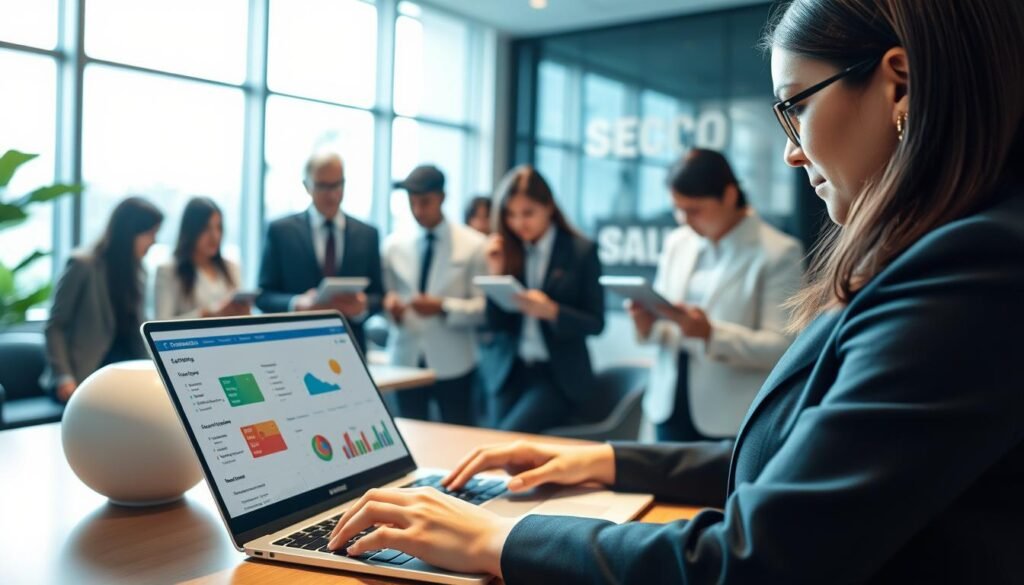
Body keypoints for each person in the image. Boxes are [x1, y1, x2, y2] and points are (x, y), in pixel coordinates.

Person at [325, 0, 1024, 582]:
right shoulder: (952, 253)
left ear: (897, 84)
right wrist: (605, 458)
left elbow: (753, 561)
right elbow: (806, 460)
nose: (792, 149)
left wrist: (497, 539)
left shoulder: (972, 268)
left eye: (794, 109)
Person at [630, 149, 804, 442]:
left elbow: (782, 347)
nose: (685, 220)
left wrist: (711, 334)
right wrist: (646, 325)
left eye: (694, 210)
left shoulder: (778, 252)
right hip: (669, 403)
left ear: (729, 195)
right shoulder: (677, 243)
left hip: (729, 415)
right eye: (678, 209)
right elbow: (667, 326)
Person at [477, 165, 604, 432]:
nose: (518, 223)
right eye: (510, 215)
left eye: (528, 213)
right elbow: (493, 324)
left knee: (506, 438)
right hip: (510, 371)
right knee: (486, 439)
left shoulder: (580, 250)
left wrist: (554, 311)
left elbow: (597, 323)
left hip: (558, 377)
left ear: (548, 206)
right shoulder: (507, 248)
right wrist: (496, 275)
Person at [382, 165, 488, 425]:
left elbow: (484, 309)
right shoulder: (393, 246)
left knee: (458, 433)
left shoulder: (473, 245)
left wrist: (443, 307)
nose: (418, 210)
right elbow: (388, 299)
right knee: (410, 432)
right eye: (412, 203)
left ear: (441, 197)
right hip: (405, 357)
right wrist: (390, 309)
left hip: (454, 361)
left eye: (425, 202)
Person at [256, 152, 384, 351]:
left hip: (350, 348)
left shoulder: (368, 234)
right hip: (294, 348)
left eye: (338, 185)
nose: (332, 194)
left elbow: (379, 295)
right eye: (323, 186)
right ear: (307, 186)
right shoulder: (281, 231)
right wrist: (298, 304)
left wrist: (363, 305)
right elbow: (263, 296)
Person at [42, 197, 164, 402]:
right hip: (84, 375)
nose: (154, 241)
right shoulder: (83, 265)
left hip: (125, 373)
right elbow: (55, 326)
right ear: (129, 232)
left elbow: (139, 329)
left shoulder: (138, 271)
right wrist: (64, 377)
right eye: (150, 233)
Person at [155, 197, 248, 320]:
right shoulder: (169, 271)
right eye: (206, 228)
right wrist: (207, 314)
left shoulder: (231, 268)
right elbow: (161, 324)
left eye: (218, 228)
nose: (214, 236)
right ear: (191, 231)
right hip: (190, 339)